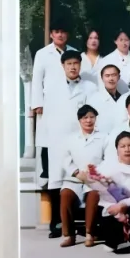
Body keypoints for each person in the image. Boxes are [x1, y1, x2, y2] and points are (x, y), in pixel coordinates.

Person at [42, 49, 97, 237]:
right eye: (69, 64)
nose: (73, 67)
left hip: (81, 138)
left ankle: (86, 224)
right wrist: (46, 139)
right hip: (58, 139)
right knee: (57, 180)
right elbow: (47, 115)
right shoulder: (52, 87)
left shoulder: (90, 87)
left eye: (76, 63)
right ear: (63, 66)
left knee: (82, 178)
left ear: (80, 65)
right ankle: (57, 224)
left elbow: (92, 113)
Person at [58, 105, 111, 247]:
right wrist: (77, 173)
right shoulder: (70, 138)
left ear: (96, 119)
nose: (88, 120)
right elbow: (65, 159)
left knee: (93, 195)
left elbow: (108, 159)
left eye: (92, 117)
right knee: (65, 194)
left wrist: (94, 174)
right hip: (75, 178)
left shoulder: (104, 137)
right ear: (79, 120)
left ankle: (90, 234)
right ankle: (68, 235)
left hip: (95, 179)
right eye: (85, 117)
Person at [87, 63, 124, 133]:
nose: (111, 79)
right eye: (107, 76)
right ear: (102, 78)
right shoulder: (94, 99)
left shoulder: (124, 98)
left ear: (119, 77)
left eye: (114, 75)